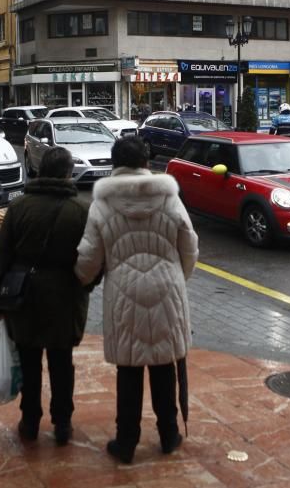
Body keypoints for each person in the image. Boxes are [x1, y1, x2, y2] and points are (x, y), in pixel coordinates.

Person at [75, 136, 199, 465]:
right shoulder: (168, 197)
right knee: (163, 366)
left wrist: (82, 280)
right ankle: (169, 434)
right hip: (167, 290)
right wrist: (177, 278)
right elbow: (189, 243)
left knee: (128, 371)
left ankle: (126, 442)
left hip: (123, 293)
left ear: (115, 164)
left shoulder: (102, 203)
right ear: (146, 162)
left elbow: (88, 257)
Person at [0, 147, 91, 446]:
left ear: (39, 170)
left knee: (29, 361)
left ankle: (30, 420)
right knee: (62, 362)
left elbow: (1, 256)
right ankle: (62, 423)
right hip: (65, 295)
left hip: (24, 296)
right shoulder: (80, 210)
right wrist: (87, 285)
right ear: (68, 173)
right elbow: (93, 257)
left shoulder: (18, 208)